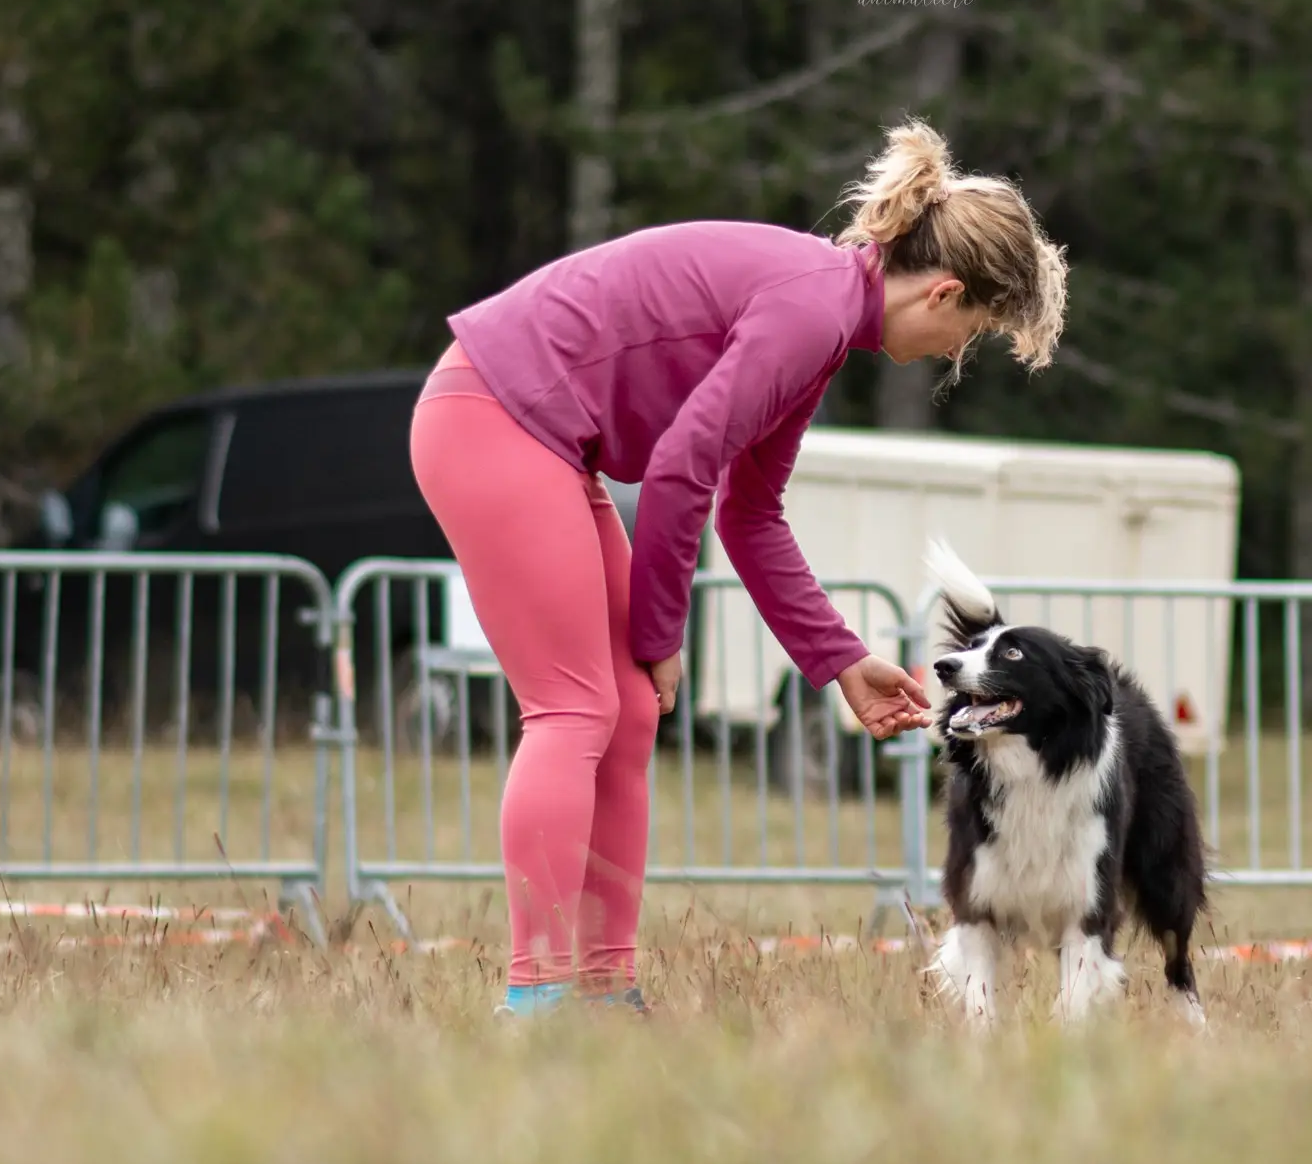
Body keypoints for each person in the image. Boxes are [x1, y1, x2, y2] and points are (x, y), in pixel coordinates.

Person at [408, 118, 1070, 1016]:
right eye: (972, 332)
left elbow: (749, 512)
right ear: (945, 292)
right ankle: (537, 997)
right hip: (493, 416)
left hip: (547, 439)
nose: (957, 354)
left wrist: (839, 661)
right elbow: (683, 467)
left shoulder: (824, 324)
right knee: (577, 705)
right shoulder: (810, 310)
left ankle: (605, 990)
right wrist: (661, 632)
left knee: (628, 710)